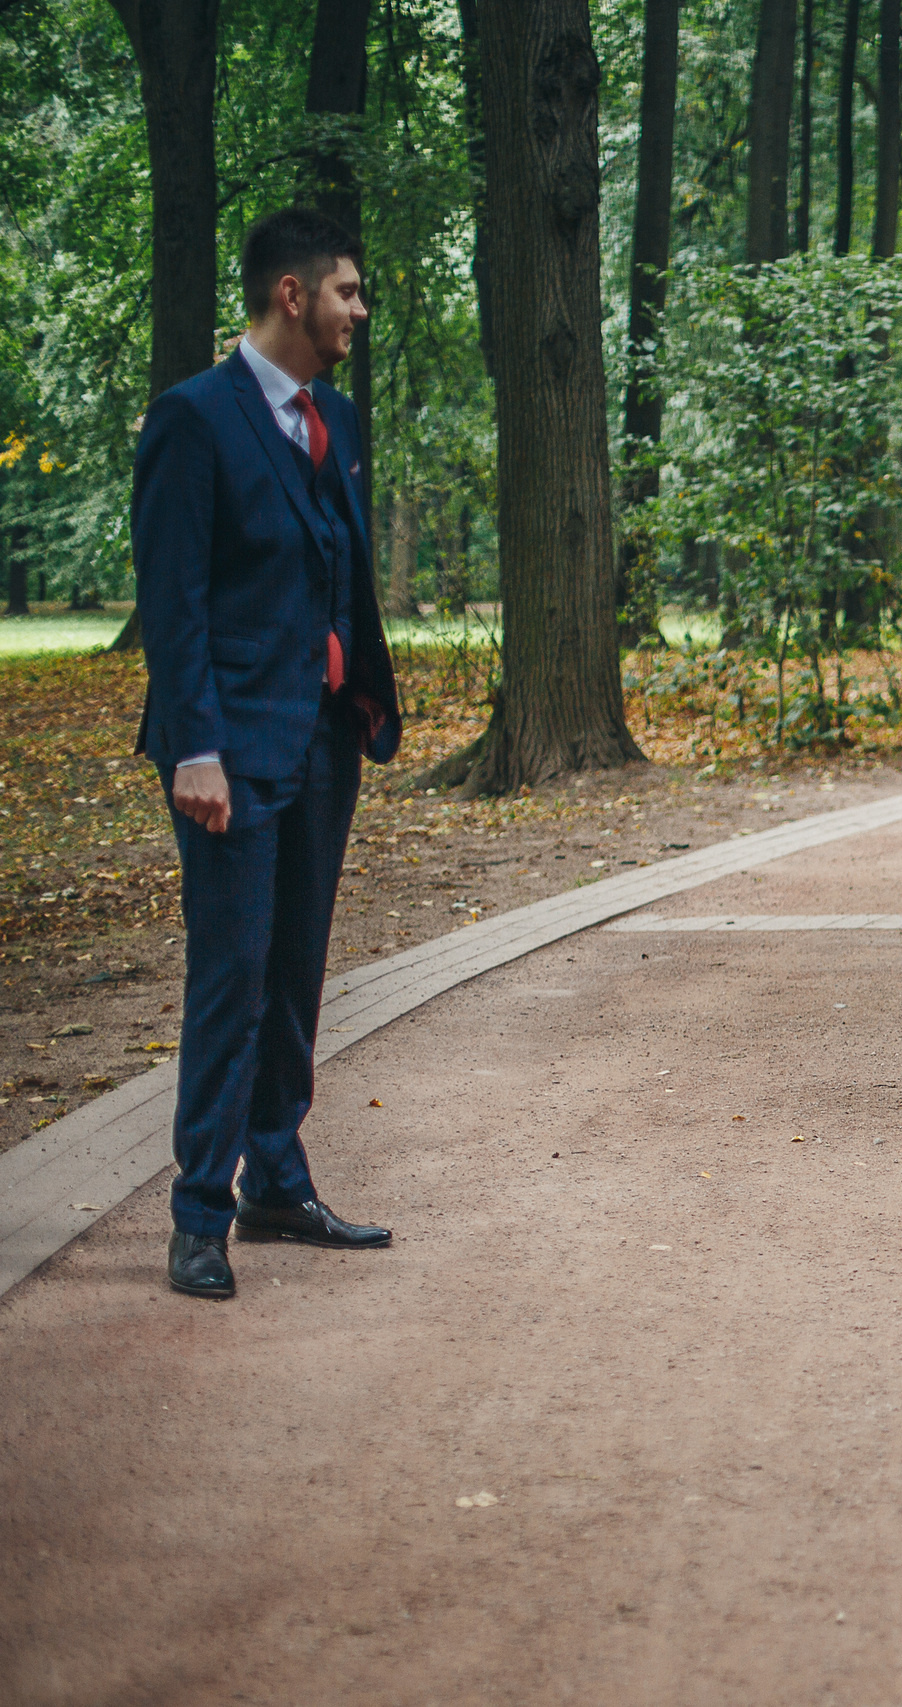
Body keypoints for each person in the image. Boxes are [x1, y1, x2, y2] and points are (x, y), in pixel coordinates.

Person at [133, 207, 403, 1300]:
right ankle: (199, 1213)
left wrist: (368, 698)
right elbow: (175, 601)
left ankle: (276, 1184)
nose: (360, 311)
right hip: (227, 754)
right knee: (230, 980)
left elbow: (338, 571)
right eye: (348, 291)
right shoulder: (193, 420)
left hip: (320, 742)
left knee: (293, 977)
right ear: (292, 295)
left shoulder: (331, 415)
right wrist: (193, 747)